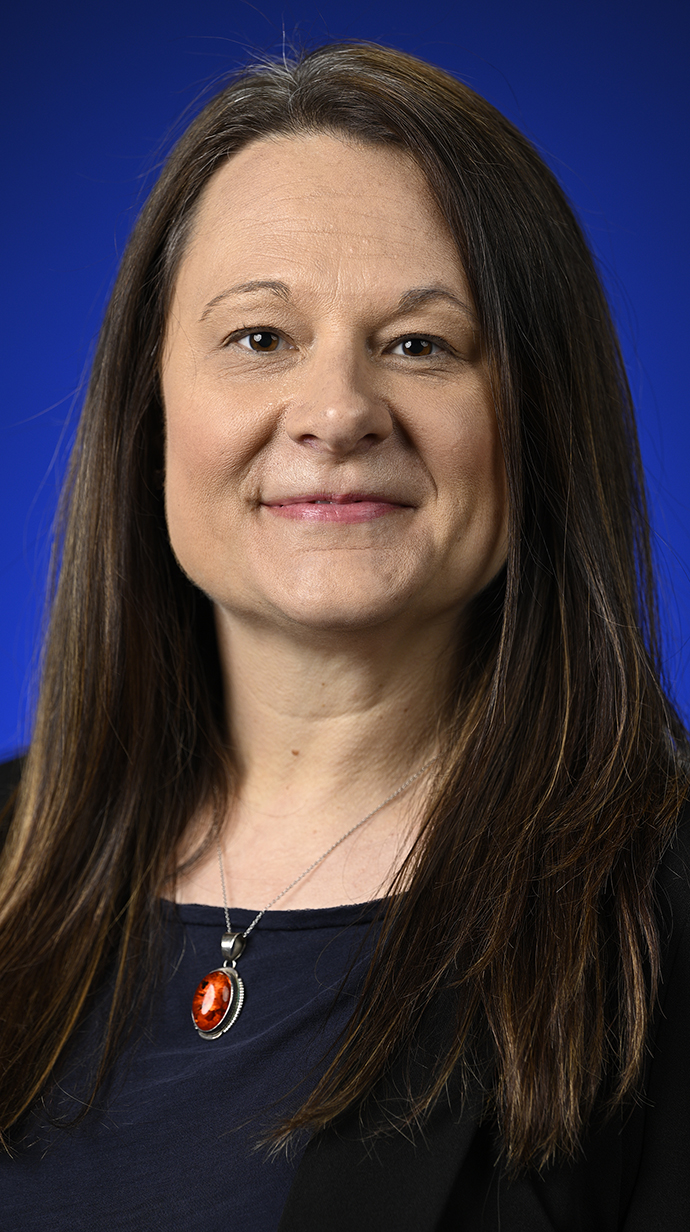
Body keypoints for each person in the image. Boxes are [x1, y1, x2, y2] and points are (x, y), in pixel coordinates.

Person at [0, 41, 688, 1231]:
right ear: (150, 406)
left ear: (537, 416)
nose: (336, 412)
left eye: (421, 343)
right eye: (260, 337)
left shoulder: (661, 920)